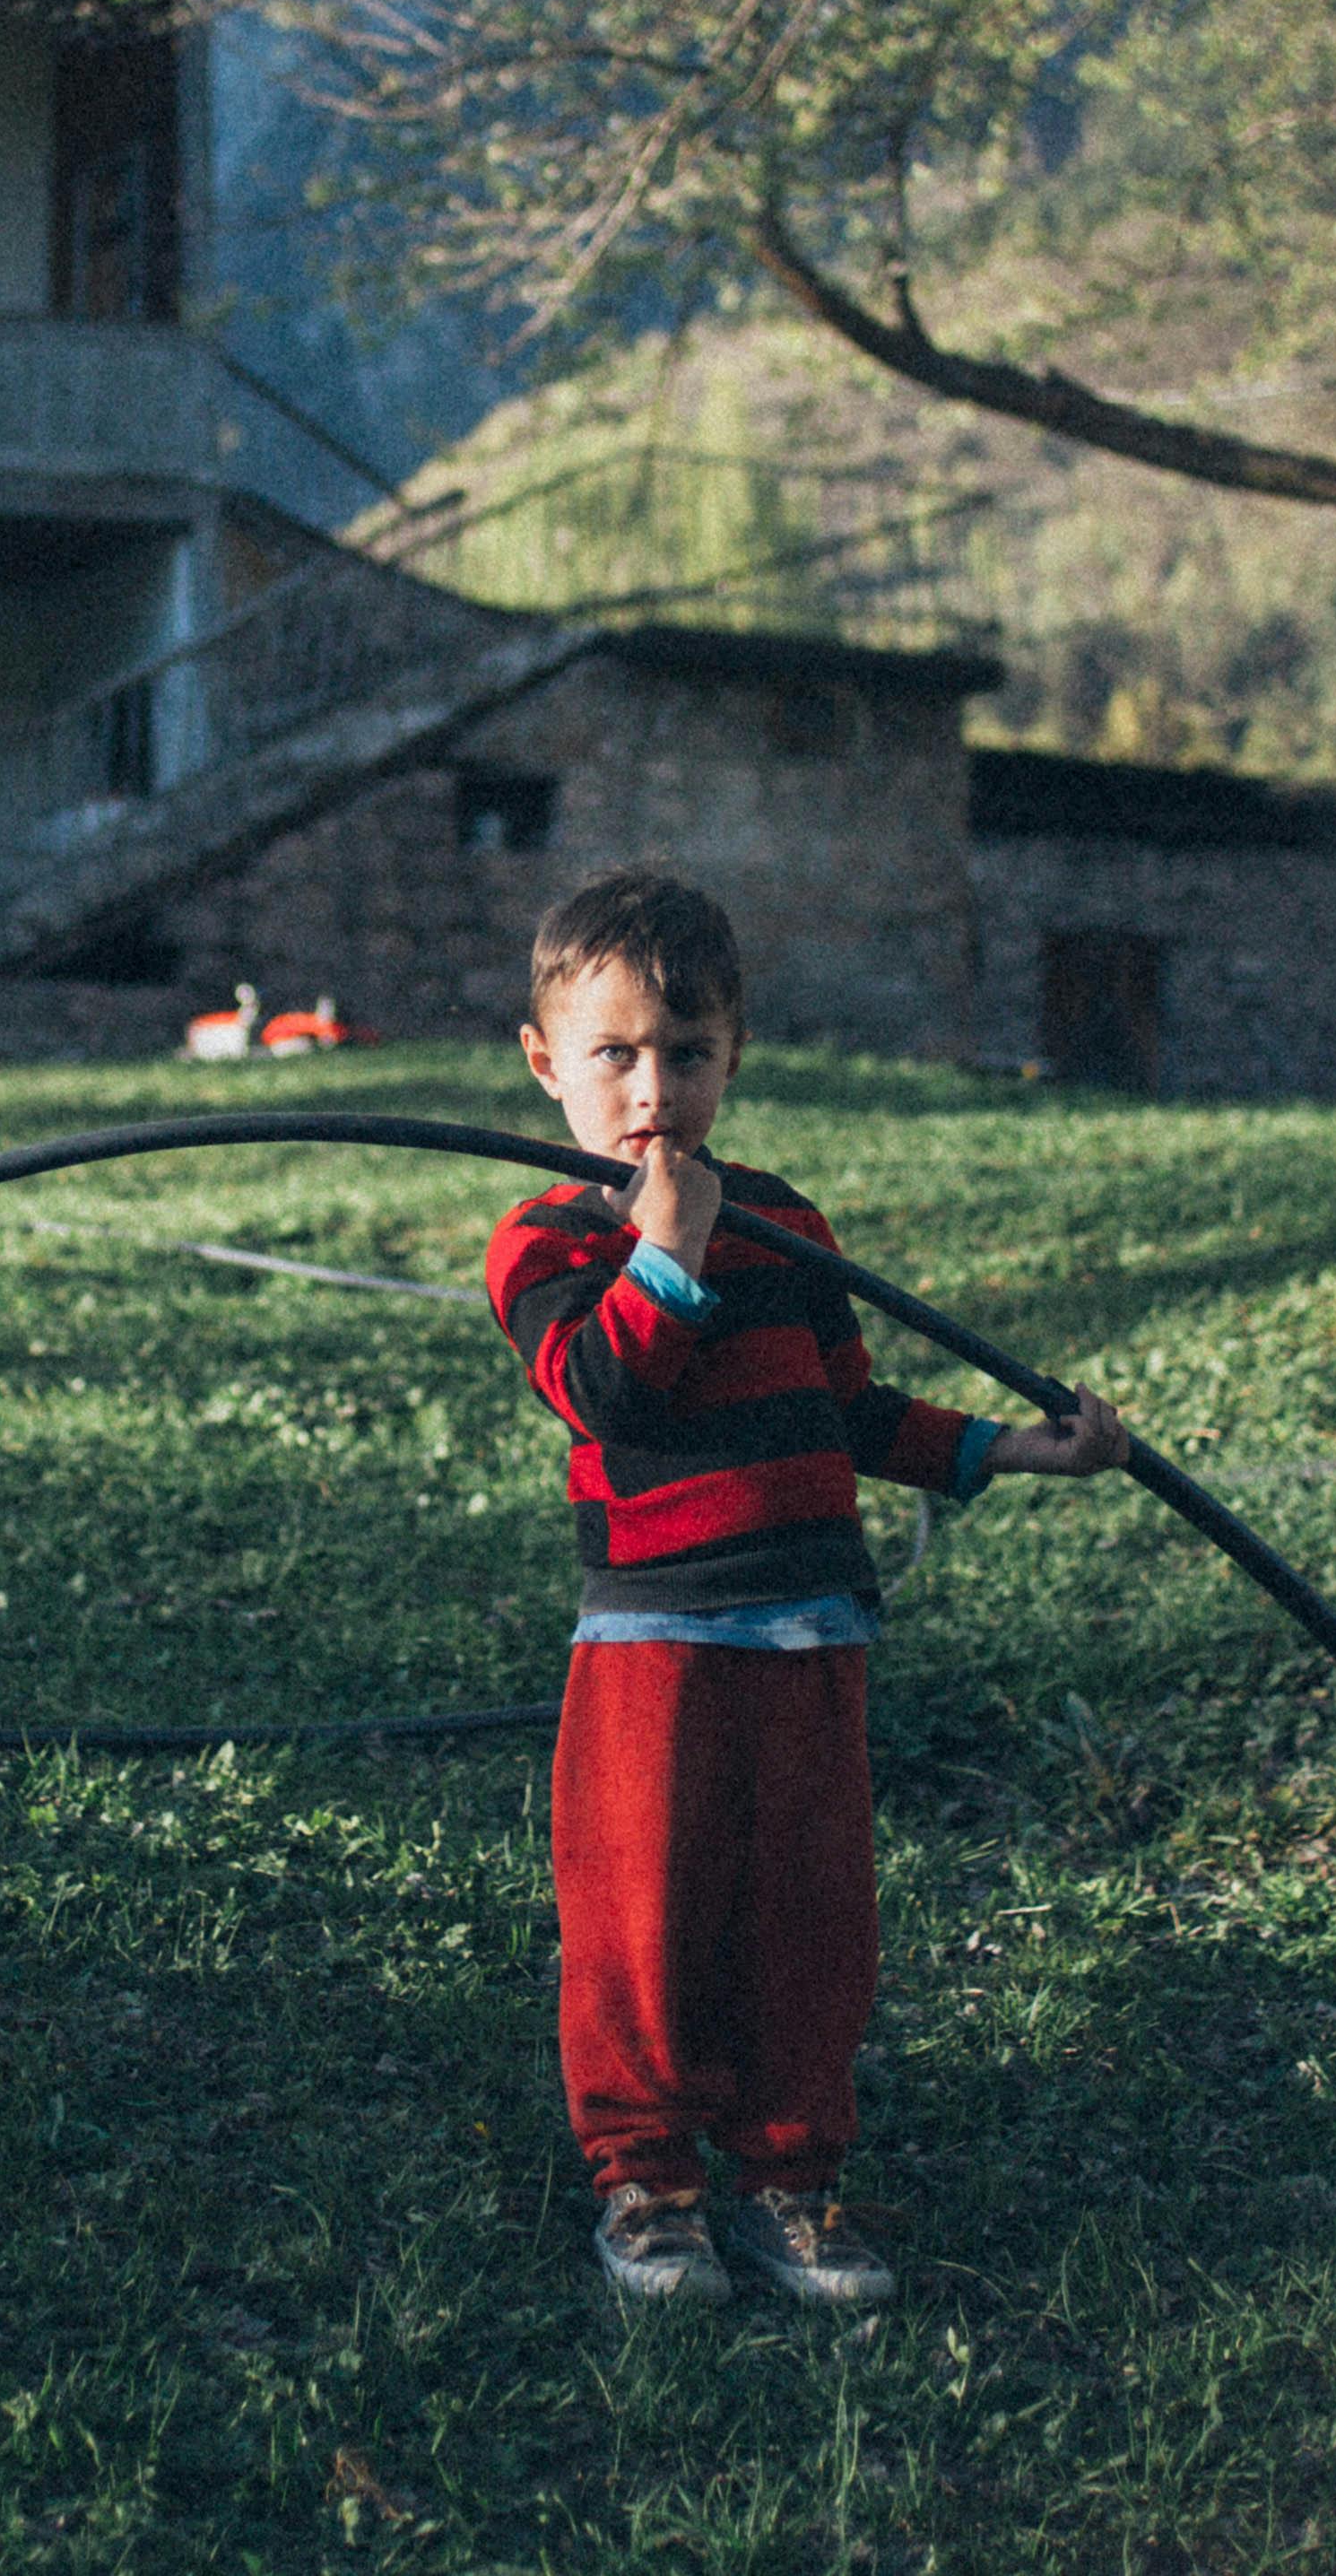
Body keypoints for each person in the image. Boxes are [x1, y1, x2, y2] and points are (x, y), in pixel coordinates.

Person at [483, 865, 1132, 2306]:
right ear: (546, 1064)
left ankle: (790, 2181)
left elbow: (850, 1410)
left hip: (809, 1633)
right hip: (657, 1639)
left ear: (735, 1054)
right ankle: (648, 2187)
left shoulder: (789, 1226)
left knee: (809, 1916)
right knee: (642, 1917)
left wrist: (1021, 1447)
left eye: (689, 1053)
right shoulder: (551, 1240)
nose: (654, 1088)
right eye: (615, 1055)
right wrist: (668, 1244)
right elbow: (603, 1393)